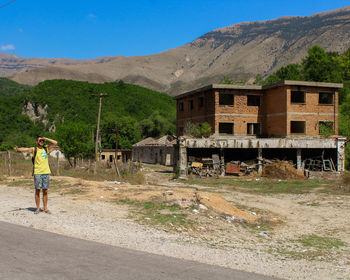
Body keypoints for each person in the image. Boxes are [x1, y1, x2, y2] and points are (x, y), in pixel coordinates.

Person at [14, 136, 58, 214]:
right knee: (37, 190)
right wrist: (18, 149)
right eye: (39, 140)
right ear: (36, 142)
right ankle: (37, 208)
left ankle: (45, 208)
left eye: (42, 140)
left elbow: (55, 143)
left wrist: (46, 138)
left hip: (46, 172)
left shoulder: (46, 148)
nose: (41, 141)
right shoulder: (34, 149)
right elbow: (26, 149)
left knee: (45, 191)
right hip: (37, 172)